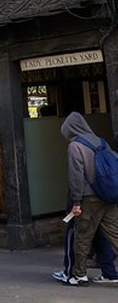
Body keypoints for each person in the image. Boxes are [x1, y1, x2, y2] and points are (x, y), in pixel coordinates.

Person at [60, 111, 118, 285]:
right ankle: (109, 274)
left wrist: (76, 202)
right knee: (115, 233)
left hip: (89, 198)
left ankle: (79, 275)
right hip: (109, 195)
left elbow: (76, 175)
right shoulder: (101, 141)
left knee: (83, 236)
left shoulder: (75, 146)